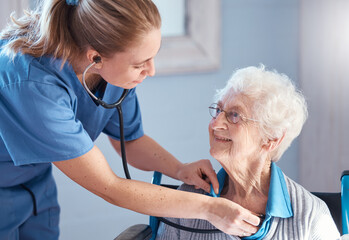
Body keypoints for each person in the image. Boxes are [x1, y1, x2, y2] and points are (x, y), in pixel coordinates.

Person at [0, 0, 262, 239]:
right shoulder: (33, 87)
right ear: (96, 58)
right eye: (140, 64)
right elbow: (109, 187)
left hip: (35, 184)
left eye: (152, 57)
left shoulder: (111, 73)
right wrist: (211, 209)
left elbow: (131, 142)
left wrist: (180, 169)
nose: (151, 71)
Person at [156, 65, 341, 239]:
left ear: (271, 138)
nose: (215, 124)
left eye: (234, 115)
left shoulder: (311, 218)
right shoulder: (190, 198)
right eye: (218, 110)